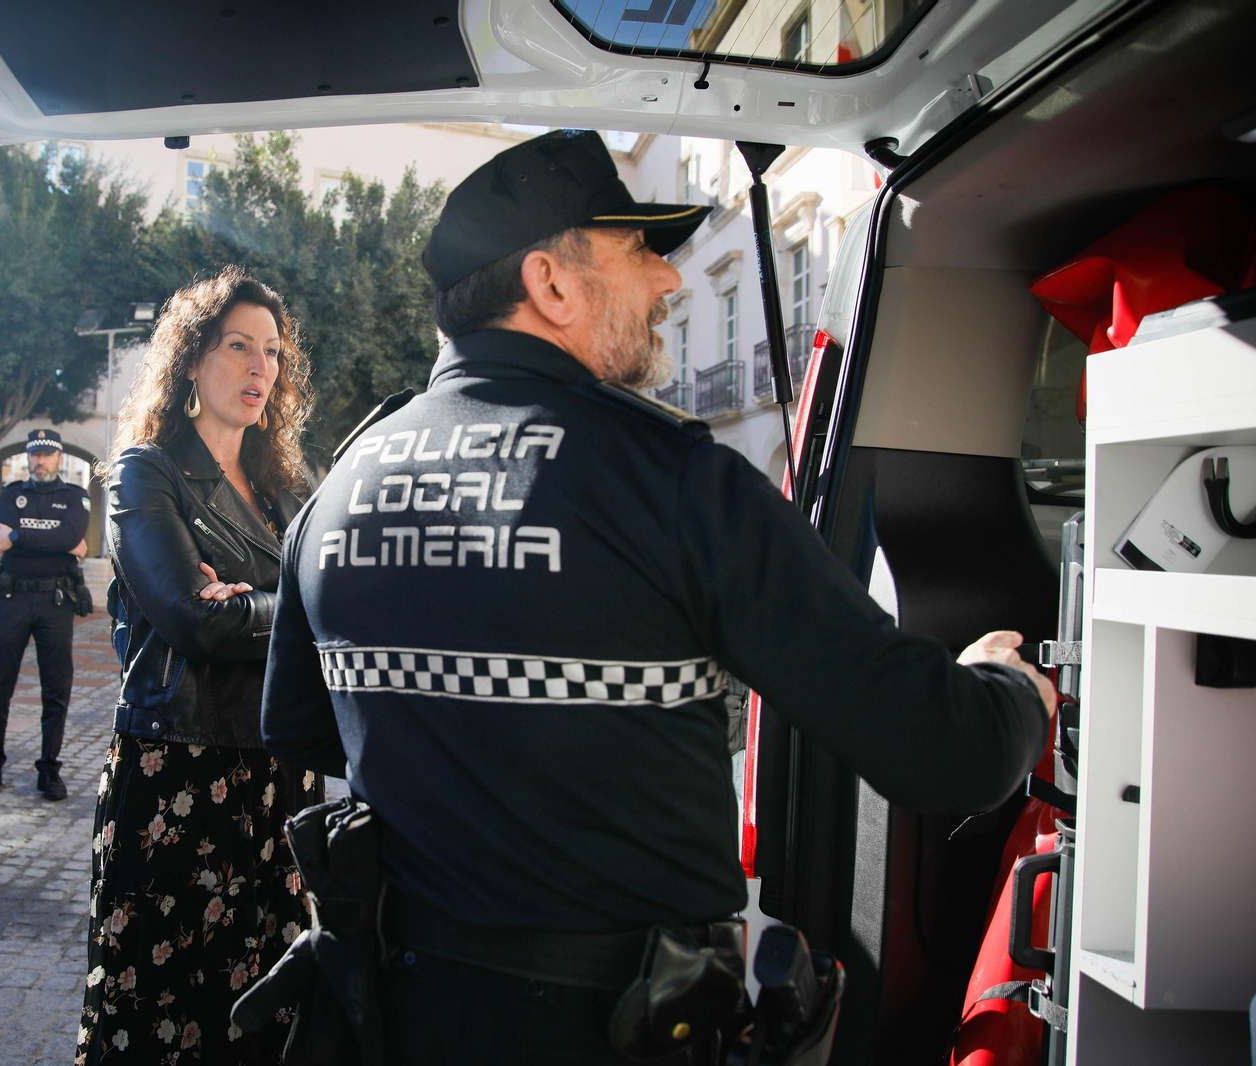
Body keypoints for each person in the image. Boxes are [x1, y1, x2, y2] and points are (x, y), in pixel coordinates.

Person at [259, 129, 1057, 1062]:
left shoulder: (342, 485)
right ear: (551, 284)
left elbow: (302, 728)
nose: (668, 279)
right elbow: (946, 751)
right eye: (638, 249)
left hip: (398, 1016)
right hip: (620, 1028)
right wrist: (1010, 690)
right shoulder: (673, 482)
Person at [76, 267, 324, 1064]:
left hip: (281, 777)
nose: (260, 368)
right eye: (237, 346)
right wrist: (288, 608)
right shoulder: (145, 471)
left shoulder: (289, 486)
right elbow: (193, 620)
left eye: (272, 352)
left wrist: (254, 604)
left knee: (266, 1016)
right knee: (162, 1017)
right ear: (191, 358)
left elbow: (331, 597)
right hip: (181, 774)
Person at [0, 428, 92, 801]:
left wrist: (18, 537)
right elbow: (57, 541)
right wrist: (59, 543)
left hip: (56, 602)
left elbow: (69, 536)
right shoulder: (10, 494)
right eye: (35, 454)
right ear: (28, 458)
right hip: (13, 599)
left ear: (59, 459)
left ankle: (49, 770)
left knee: (56, 687)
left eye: (47, 454)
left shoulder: (76, 496)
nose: (40, 461)